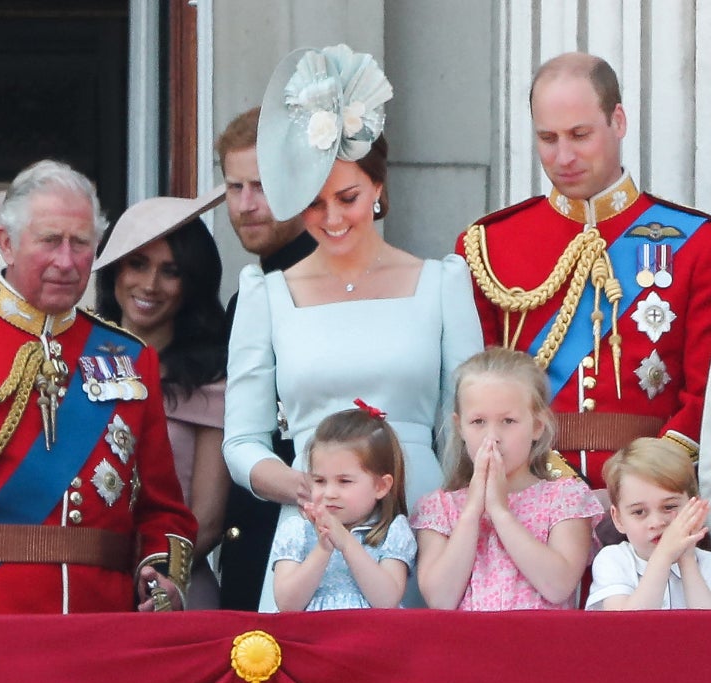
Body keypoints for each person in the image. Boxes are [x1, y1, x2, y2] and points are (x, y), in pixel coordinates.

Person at [225, 44, 482, 610]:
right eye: (315, 204)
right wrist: (309, 490)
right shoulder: (266, 294)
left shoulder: (442, 282)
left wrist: (453, 516)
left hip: (421, 521)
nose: (334, 219)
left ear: (379, 188)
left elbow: (465, 424)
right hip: (310, 531)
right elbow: (242, 442)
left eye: (348, 198)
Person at [0, 161, 196, 614]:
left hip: (103, 624)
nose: (67, 261)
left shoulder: (131, 357)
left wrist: (161, 576)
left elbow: (162, 508)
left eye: (81, 244)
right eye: (50, 241)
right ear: (6, 243)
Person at [458, 52, 709, 489]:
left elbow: (701, 388)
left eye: (580, 134)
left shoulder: (695, 241)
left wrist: (650, 483)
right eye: (548, 138)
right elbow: (480, 389)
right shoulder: (488, 245)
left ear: (618, 121)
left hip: (652, 501)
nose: (564, 156)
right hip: (530, 489)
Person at [93, 190, 232, 608]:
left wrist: (155, 581)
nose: (149, 285)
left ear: (192, 284)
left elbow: (206, 521)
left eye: (170, 271)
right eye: (138, 264)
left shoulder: (210, 377)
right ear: (114, 267)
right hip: (87, 588)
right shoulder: (71, 357)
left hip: (174, 595)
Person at [216, 105, 317, 612]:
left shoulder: (327, 287)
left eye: (261, 185)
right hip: (254, 532)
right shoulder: (249, 296)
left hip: (317, 537)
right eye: (235, 188)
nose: (246, 204)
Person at [414, 348, 602, 610]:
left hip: (539, 646)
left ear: (537, 425)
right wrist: (472, 512)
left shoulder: (566, 498)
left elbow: (558, 586)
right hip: (464, 647)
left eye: (508, 421)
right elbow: (440, 599)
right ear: (460, 427)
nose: (493, 437)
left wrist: (500, 512)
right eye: (478, 421)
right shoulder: (440, 508)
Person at [269, 403, 415, 611]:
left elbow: (386, 600)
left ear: (381, 486)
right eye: (319, 481)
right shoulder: (297, 531)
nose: (329, 493)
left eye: (344, 481)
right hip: (310, 637)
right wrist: (323, 548)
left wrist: (346, 543)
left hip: (369, 637)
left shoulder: (392, 532)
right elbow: (287, 604)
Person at [586, 438, 711, 610]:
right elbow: (627, 627)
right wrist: (664, 556)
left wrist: (687, 560)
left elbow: (705, 631)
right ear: (618, 519)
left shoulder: (706, 563)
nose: (657, 522)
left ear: (695, 506)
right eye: (639, 512)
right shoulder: (613, 560)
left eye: (669, 507)